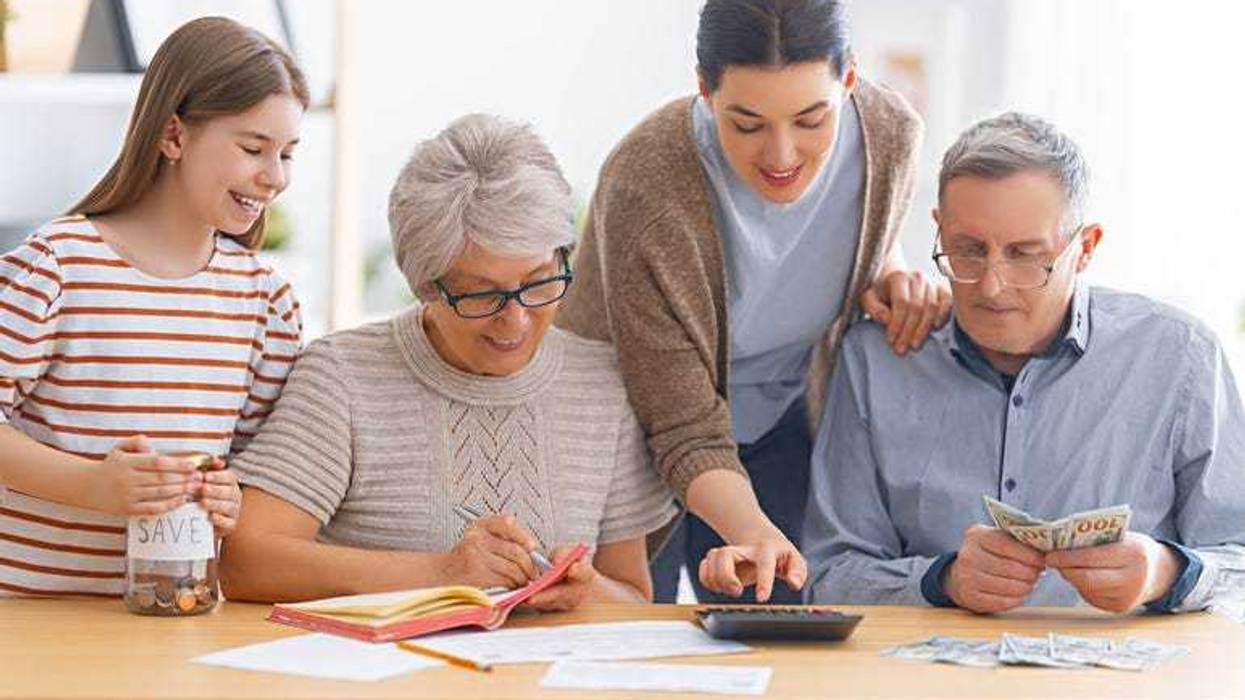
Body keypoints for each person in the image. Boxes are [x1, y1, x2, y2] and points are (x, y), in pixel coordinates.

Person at [557, 0, 949, 603]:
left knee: (784, 641)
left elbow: (857, 231)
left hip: (779, 420)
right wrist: (755, 532)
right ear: (704, 91)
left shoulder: (889, 138)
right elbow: (681, 425)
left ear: (848, 81)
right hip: (628, 440)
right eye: (747, 124)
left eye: (812, 119)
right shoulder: (647, 184)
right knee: (626, 649)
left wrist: (889, 272)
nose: (782, 155)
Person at [220, 114, 677, 611]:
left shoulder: (603, 387)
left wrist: (587, 592)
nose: (516, 321)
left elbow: (633, 598)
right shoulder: (343, 378)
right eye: (482, 295)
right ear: (424, 286)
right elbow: (246, 562)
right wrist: (442, 574)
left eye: (539, 281)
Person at [803, 112, 1245, 613]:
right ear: (939, 231)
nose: (992, 286)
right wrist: (940, 581)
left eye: (1025, 255)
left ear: (1086, 248)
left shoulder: (1180, 356)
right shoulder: (877, 359)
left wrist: (1167, 571)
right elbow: (827, 577)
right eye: (967, 250)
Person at [0, 17, 307, 597]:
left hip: (175, 615)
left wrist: (230, 492)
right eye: (253, 148)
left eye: (288, 153)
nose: (275, 177)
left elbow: (251, 466)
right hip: (25, 612)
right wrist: (93, 485)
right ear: (173, 137)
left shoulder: (266, 300)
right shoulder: (58, 267)